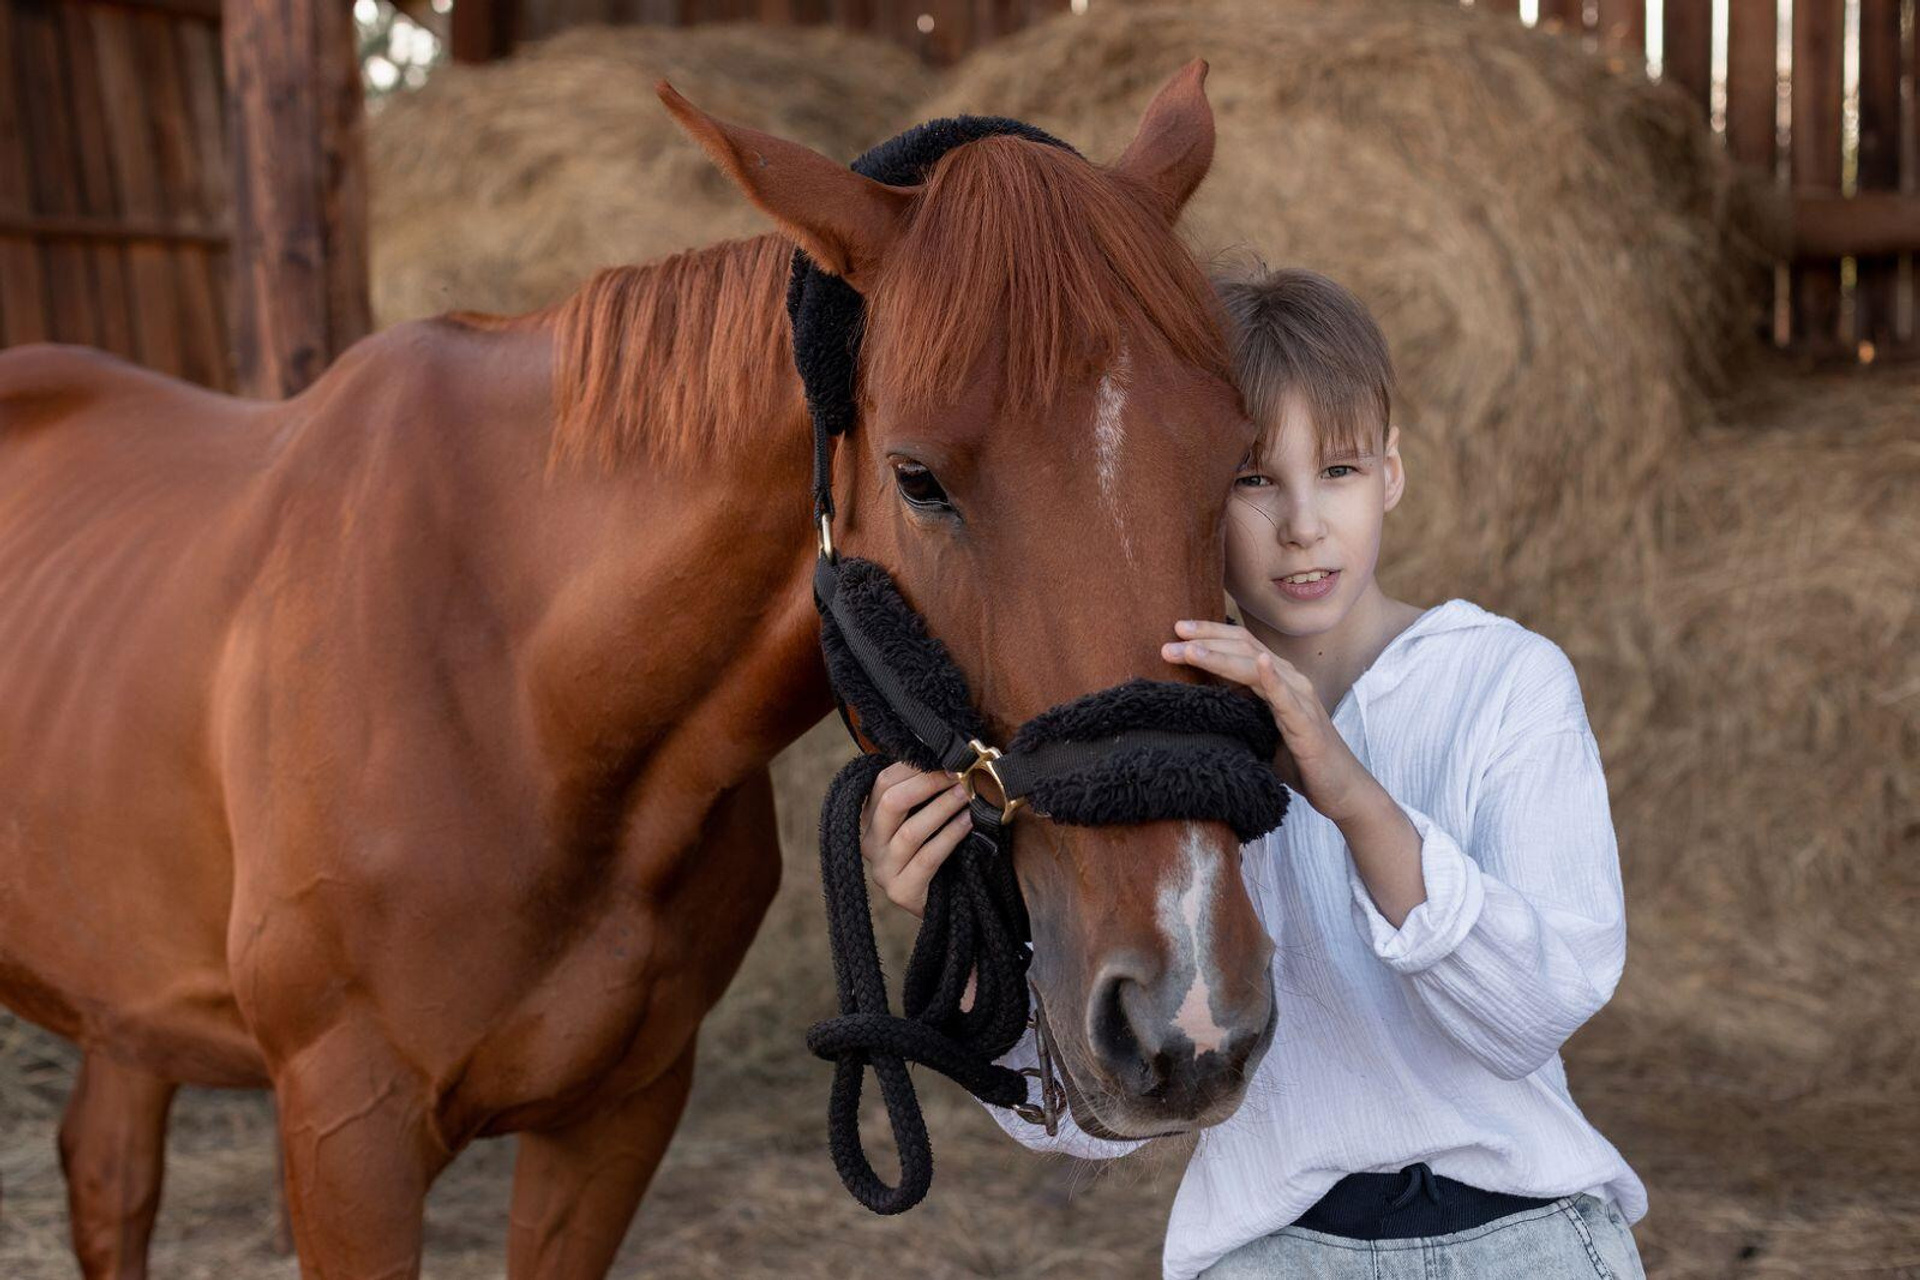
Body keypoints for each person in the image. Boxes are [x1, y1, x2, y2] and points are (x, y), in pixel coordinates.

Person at [857, 264, 1649, 1280]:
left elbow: (1533, 1009)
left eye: (1343, 470)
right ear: (1187, 490)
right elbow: (1084, 1119)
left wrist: (1347, 787)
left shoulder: (1505, 680)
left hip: (1528, 1236)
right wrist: (948, 911)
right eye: (1254, 479)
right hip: (1270, 1250)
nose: (1304, 524)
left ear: (1395, 472)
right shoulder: (1155, 742)